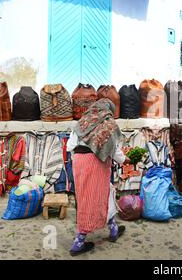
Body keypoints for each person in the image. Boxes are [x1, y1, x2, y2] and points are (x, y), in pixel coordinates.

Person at [67, 99, 130, 256]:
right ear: (109, 110)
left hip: (79, 162)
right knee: (97, 197)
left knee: (89, 196)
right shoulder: (109, 125)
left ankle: (112, 227)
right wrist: (125, 160)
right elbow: (114, 151)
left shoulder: (82, 121)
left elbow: (70, 146)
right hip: (97, 163)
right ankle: (79, 242)